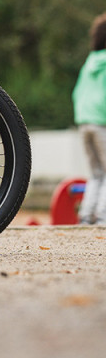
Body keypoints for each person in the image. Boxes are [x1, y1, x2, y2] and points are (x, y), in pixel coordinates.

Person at [72, 13, 106, 224]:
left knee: (96, 173)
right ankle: (102, 216)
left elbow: (77, 92)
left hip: (84, 122)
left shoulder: (90, 62)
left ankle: (86, 215)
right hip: (101, 122)